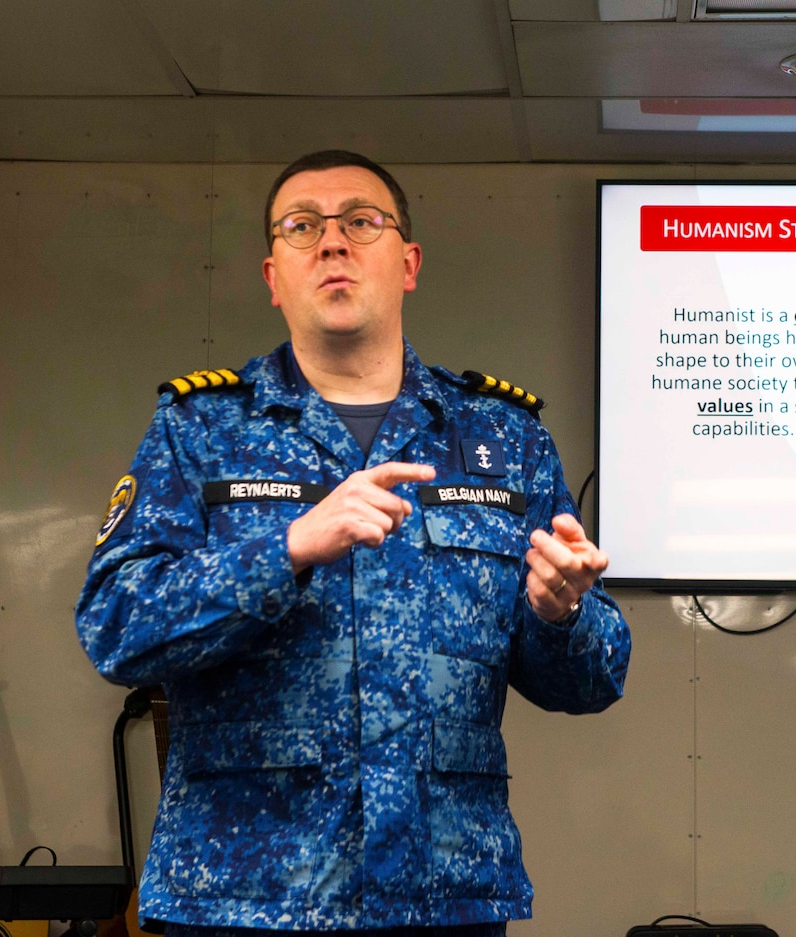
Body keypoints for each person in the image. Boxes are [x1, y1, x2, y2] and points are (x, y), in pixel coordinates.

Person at [76, 150, 631, 937]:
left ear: (406, 263)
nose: (332, 243)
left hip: (445, 896)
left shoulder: (503, 438)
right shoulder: (199, 431)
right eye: (303, 226)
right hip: (243, 899)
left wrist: (561, 612)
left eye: (361, 221)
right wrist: (287, 547)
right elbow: (115, 626)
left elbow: (595, 678)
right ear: (274, 276)